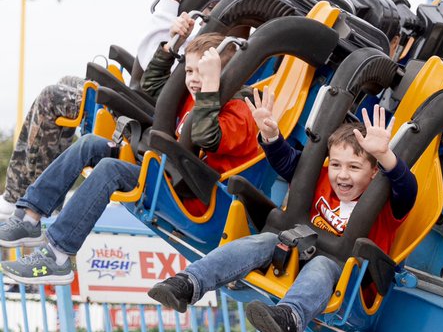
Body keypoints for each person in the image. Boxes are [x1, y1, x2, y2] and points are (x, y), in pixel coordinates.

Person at [147, 95, 416, 332]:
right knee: (264, 240)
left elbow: (407, 189)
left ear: (373, 172)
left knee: (322, 265)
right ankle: (189, 282)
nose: (342, 176)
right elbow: (290, 165)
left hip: (346, 280)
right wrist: (271, 136)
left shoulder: (386, 200)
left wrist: (385, 156)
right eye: (336, 165)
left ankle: (289, 319)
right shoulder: (322, 178)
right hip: (294, 251)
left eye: (354, 168)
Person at [0, 33, 259, 285]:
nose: (192, 80)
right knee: (90, 144)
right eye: (189, 71)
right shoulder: (194, 98)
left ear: (222, 77)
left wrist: (210, 90)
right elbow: (152, 88)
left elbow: (207, 137)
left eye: (201, 73)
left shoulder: (238, 112)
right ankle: (29, 216)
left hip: (197, 198)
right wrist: (169, 48)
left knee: (111, 170)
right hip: (170, 173)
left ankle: (58, 256)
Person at [0, 0, 202, 219]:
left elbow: (149, 63)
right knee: (66, 82)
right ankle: (40, 195)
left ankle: (17, 196)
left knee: (54, 97)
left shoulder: (208, 56)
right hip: (148, 97)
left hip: (146, 115)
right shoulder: (199, 44)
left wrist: (170, 3)